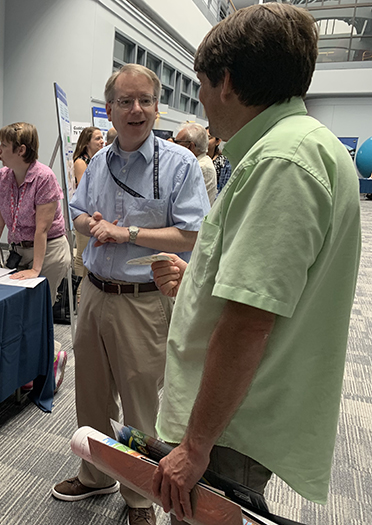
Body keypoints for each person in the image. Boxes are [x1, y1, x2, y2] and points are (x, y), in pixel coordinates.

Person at [149, 5, 361, 523]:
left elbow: (249, 322)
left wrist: (195, 446)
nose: (196, 100)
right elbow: (266, 290)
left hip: (228, 429)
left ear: (227, 82)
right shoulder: (299, 148)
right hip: (235, 417)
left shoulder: (281, 162)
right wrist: (195, 286)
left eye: (198, 83)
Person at [51, 64, 210, 525]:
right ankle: (96, 473)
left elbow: (193, 234)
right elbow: (78, 213)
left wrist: (128, 231)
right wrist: (91, 225)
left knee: (141, 402)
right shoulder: (98, 161)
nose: (135, 109)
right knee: (92, 395)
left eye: (144, 100)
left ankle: (140, 495)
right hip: (94, 294)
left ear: (157, 108)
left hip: (144, 300)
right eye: (125, 101)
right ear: (111, 110)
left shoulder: (179, 164)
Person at [0, 122, 71, 303]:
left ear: (21, 150)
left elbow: (42, 230)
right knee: (16, 305)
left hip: (48, 252)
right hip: (19, 251)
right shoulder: (1, 177)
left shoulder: (44, 178)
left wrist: (36, 269)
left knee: (38, 307)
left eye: (4, 145)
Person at [72, 127, 105, 279]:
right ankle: (79, 295)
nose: (101, 141)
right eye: (97, 138)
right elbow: (84, 189)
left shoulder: (98, 160)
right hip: (85, 214)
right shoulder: (81, 162)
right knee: (82, 254)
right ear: (87, 142)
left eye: (101, 138)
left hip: (96, 214)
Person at [175, 123, 217, 205]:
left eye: (177, 142)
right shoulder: (200, 162)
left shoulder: (201, 167)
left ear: (190, 146)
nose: (173, 146)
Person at [206, 126, 231, 193]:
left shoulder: (222, 162)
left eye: (208, 138)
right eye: (203, 138)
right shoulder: (196, 158)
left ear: (218, 141)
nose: (205, 141)